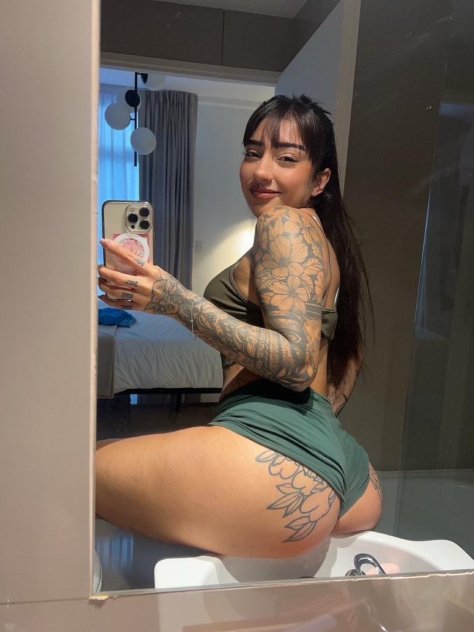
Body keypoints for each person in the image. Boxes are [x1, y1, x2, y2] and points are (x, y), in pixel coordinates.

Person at [97, 94, 382, 559]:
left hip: (276, 458)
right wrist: (314, 438)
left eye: (286, 158)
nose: (261, 171)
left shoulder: (283, 225)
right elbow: (349, 356)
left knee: (71, 473)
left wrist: (174, 300)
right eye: (253, 152)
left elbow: (295, 362)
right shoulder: (322, 238)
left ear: (320, 179)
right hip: (343, 464)